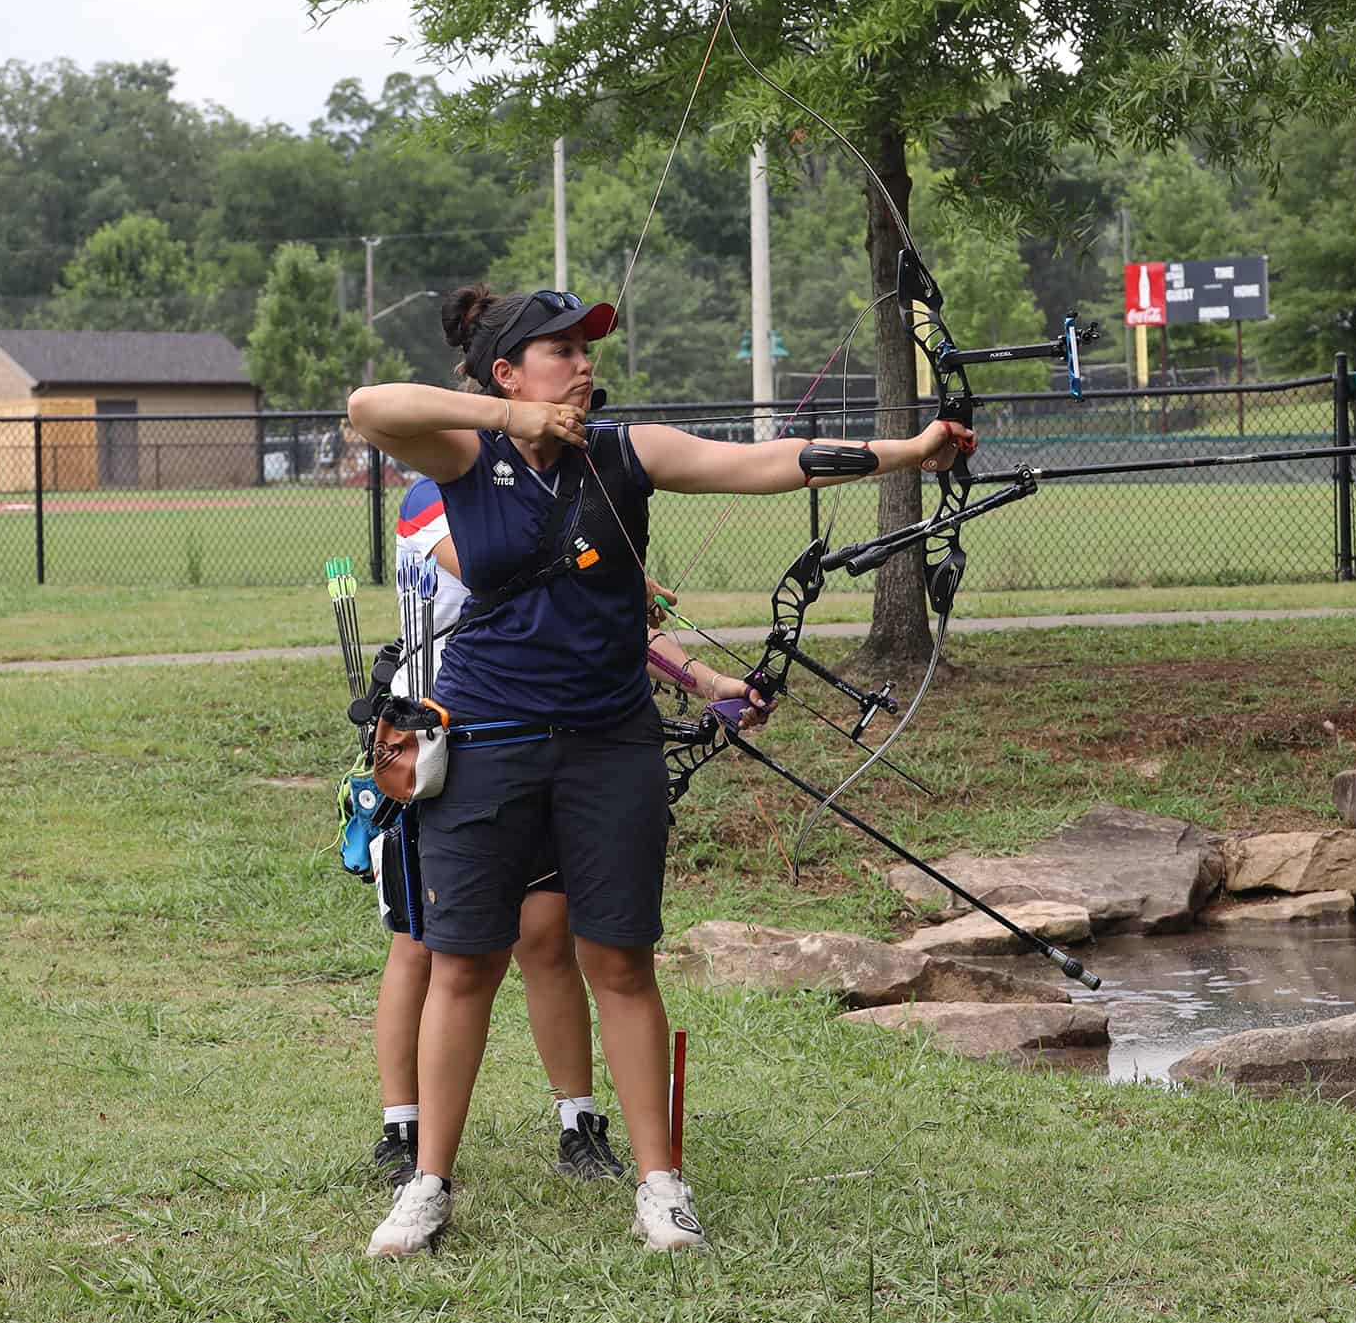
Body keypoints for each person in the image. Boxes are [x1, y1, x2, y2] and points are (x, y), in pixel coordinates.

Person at [347, 282, 973, 1257]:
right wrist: (510, 416)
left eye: (586, 348)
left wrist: (910, 453)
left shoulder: (623, 454)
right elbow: (369, 408)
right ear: (509, 370)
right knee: (463, 966)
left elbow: (768, 462)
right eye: (559, 350)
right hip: (488, 739)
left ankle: (660, 1186)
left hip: (609, 744)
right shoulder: (466, 455)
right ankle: (427, 1185)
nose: (582, 363)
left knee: (619, 963)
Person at [368, 477, 762, 1193]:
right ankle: (403, 1128)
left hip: (539, 746)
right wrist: (601, 565)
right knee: (423, 942)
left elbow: (593, 619)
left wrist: (706, 681)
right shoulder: (433, 495)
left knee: (546, 933)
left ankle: (577, 1122)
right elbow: (513, 579)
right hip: (444, 744)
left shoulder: (553, 503)